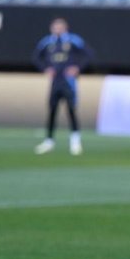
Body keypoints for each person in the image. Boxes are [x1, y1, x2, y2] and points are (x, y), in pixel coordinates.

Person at [32, 17, 91, 155]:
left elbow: (88, 54)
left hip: (68, 81)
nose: (57, 29)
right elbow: (35, 57)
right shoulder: (47, 41)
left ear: (65, 27)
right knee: (52, 111)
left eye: (60, 27)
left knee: (71, 110)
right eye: (55, 27)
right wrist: (45, 68)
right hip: (55, 82)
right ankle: (49, 141)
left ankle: (75, 141)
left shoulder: (73, 40)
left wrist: (77, 67)